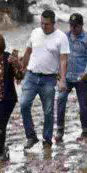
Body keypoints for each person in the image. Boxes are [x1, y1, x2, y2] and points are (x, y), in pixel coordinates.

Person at [20, 9, 69, 149]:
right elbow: (28, 52)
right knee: (23, 104)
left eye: (46, 24)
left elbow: (64, 60)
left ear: (53, 23)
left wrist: (63, 80)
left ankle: (47, 139)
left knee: (48, 111)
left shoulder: (61, 37)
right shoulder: (35, 32)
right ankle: (31, 136)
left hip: (49, 79)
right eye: (41, 23)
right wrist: (21, 70)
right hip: (31, 76)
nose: (43, 26)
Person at [55, 13, 87, 142]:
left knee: (83, 104)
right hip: (66, 76)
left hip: (81, 77)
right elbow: (58, 55)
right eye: (71, 25)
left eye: (75, 26)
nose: (73, 28)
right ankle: (60, 129)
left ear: (81, 25)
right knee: (60, 100)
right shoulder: (64, 37)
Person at [0, 33, 25, 162]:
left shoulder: (8, 58)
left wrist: (17, 64)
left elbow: (19, 76)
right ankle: (2, 148)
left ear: (1, 48)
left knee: (0, 126)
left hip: (6, 99)